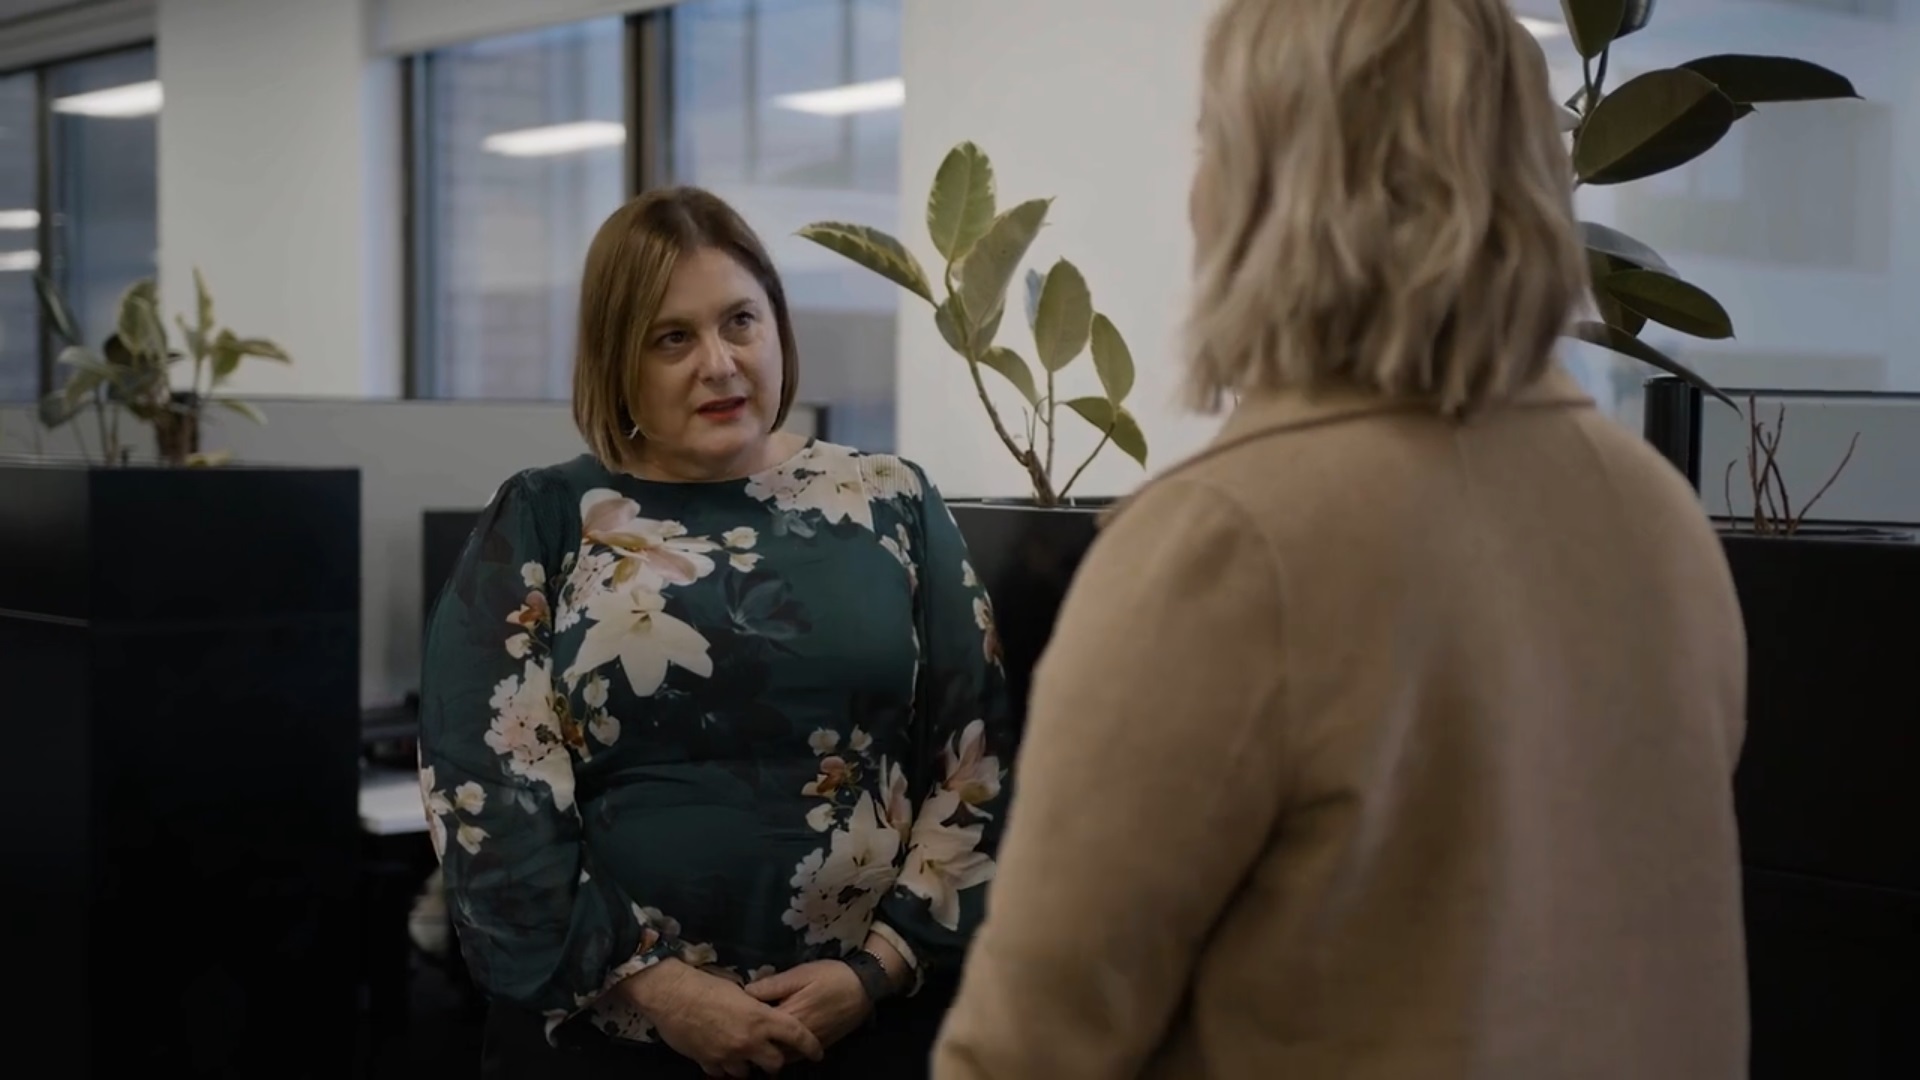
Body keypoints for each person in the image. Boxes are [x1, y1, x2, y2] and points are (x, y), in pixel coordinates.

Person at [932, 1, 1750, 1078]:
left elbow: (1027, 1050)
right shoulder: (1658, 512)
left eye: (1213, 141)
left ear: (1277, 190)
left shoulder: (1224, 546)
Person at [419, 187, 1012, 1079]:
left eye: (741, 321)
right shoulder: (546, 517)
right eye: (673, 338)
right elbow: (483, 793)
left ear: (778, 327)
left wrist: (878, 968)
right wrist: (659, 989)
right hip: (610, 1042)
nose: (719, 363)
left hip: (861, 1030)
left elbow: (981, 755)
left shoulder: (891, 501)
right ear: (618, 356)